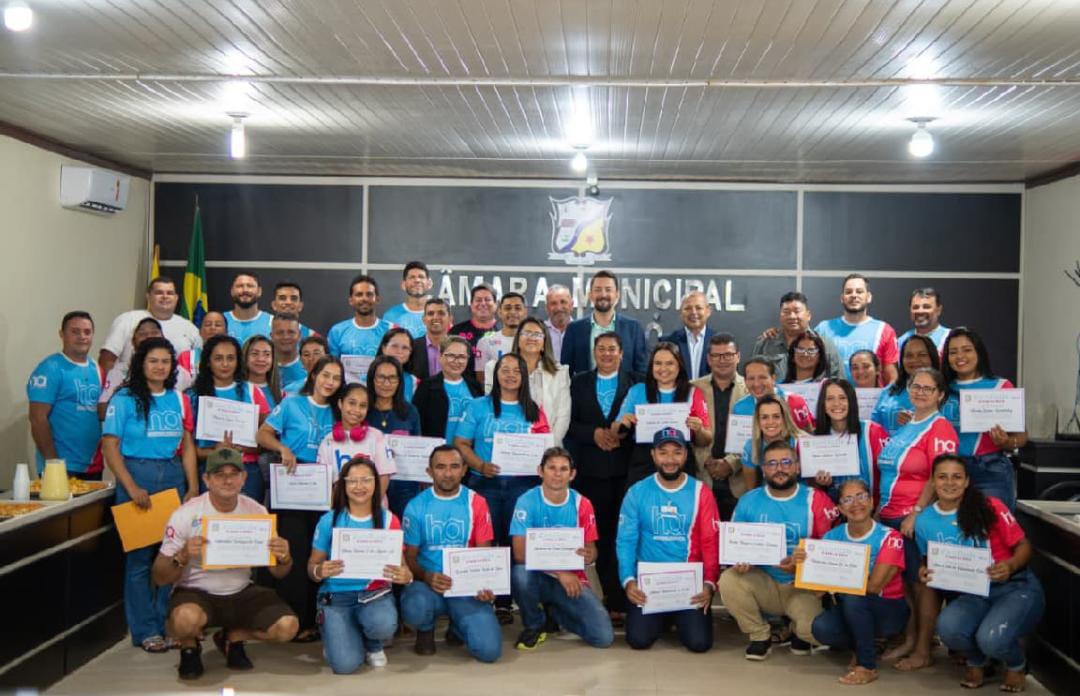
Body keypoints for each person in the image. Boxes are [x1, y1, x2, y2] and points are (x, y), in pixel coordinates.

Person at [153, 448, 298, 679]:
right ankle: (189, 646)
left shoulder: (257, 511)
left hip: (242, 591)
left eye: (234, 473)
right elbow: (159, 576)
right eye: (219, 474)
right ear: (206, 479)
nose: (227, 480)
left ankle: (234, 636)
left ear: (244, 478)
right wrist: (181, 556)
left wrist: (285, 557)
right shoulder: (186, 514)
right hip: (196, 592)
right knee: (184, 622)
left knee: (287, 627)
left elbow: (279, 572)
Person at [101, 336, 198, 653]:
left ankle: (165, 623)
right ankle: (145, 630)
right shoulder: (125, 398)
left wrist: (193, 487)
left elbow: (187, 448)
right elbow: (110, 447)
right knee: (140, 561)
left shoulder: (179, 399)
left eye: (165, 361)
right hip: (138, 476)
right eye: (153, 360)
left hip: (172, 476)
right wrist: (130, 487)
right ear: (141, 363)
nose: (160, 366)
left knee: (171, 557)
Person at [915, 455, 1043, 692]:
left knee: (992, 639)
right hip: (974, 592)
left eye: (957, 477)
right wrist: (925, 571)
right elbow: (928, 560)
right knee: (948, 629)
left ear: (967, 482)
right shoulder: (924, 521)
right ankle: (977, 661)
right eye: (942, 477)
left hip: (1013, 586)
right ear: (932, 481)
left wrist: (1011, 566)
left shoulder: (990, 505)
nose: (950, 483)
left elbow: (1024, 546)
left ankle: (1016, 664)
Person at [718, 439, 838, 660]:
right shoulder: (748, 501)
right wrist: (739, 560)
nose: (779, 469)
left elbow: (831, 554)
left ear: (797, 466)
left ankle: (797, 629)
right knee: (729, 579)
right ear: (763, 470)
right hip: (764, 581)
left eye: (786, 462)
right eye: (772, 464)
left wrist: (802, 566)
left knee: (815, 633)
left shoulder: (817, 500)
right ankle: (759, 635)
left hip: (801, 586)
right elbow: (734, 548)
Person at [875, 367, 959, 670]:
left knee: (922, 585)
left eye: (927, 388)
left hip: (913, 518)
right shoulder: (908, 425)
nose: (920, 392)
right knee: (907, 585)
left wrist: (916, 513)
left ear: (940, 395)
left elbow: (940, 478)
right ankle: (910, 639)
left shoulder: (940, 428)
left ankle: (923, 649)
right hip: (889, 515)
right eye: (915, 386)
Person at [257, 355, 344, 642]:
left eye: (336, 378)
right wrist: (283, 449)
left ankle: (317, 619)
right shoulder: (292, 403)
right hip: (292, 486)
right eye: (326, 375)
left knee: (318, 553)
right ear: (314, 375)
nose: (330, 382)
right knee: (292, 553)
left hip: (325, 489)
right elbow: (263, 434)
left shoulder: (338, 411)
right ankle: (294, 619)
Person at [616, 428, 719, 653]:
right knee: (638, 640)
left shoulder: (702, 492)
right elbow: (625, 541)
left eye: (677, 452)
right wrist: (629, 581)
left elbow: (710, 542)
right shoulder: (637, 492)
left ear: (685, 455)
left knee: (699, 644)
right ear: (653, 455)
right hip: (649, 585)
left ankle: (674, 617)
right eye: (663, 453)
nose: (670, 460)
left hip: (688, 584)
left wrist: (709, 584)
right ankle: (663, 617)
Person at [308, 455, 413, 674]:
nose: (360, 486)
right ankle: (336, 634)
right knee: (345, 666)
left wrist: (406, 576)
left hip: (374, 595)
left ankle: (372, 643)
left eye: (366, 480)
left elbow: (403, 567)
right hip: (337, 598)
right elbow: (312, 566)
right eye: (352, 481)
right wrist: (319, 570)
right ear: (342, 485)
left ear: (376, 483)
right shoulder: (330, 520)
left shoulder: (388, 519)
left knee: (383, 624)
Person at [454, 354, 551, 584]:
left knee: (515, 541)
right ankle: (488, 594)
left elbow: (545, 449)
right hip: (484, 483)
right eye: (504, 370)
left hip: (522, 486)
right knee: (485, 540)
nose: (510, 375)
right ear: (495, 374)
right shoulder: (478, 406)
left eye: (516, 371)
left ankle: (510, 598)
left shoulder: (534, 410)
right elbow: (461, 443)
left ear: (524, 377)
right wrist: (480, 465)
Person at [401, 445, 501, 663]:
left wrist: (483, 584)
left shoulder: (477, 502)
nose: (448, 473)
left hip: (464, 586)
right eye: (441, 467)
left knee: (489, 651)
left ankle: (457, 626)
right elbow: (409, 557)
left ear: (464, 469)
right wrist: (427, 576)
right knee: (415, 606)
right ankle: (425, 629)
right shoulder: (416, 506)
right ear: (429, 471)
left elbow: (484, 553)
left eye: (454, 466)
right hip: (427, 585)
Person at [509, 447, 614, 650]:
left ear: (572, 474)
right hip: (538, 576)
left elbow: (592, 550)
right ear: (540, 471)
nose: (557, 474)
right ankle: (535, 624)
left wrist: (590, 555)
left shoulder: (583, 504)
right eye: (552, 468)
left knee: (603, 637)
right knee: (519, 574)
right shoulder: (526, 501)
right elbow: (520, 555)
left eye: (564, 469)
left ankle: (555, 614)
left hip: (572, 580)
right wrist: (560, 572)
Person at [811, 479, 909, 685]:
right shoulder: (831, 537)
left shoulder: (890, 537)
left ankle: (867, 665)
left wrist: (836, 576)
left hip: (888, 610)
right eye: (847, 499)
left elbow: (874, 586)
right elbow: (818, 591)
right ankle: (861, 645)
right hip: (851, 606)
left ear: (872, 501)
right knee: (821, 627)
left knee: (856, 596)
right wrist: (803, 564)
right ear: (840, 508)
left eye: (861, 496)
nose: (855, 504)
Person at [566, 333, 635, 624]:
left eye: (612, 349)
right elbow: (568, 422)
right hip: (590, 471)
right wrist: (593, 434)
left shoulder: (637, 382)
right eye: (601, 349)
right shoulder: (579, 381)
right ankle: (604, 595)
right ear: (594, 352)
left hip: (625, 470)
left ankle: (622, 597)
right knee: (598, 536)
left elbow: (641, 417)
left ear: (621, 353)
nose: (606, 354)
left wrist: (623, 435)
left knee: (622, 536)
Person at [941, 327, 1025, 511]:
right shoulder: (940, 388)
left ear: (979, 352)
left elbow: (1021, 437)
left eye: (967, 350)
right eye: (953, 352)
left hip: (990, 470)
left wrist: (1006, 441)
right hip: (949, 472)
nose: (960, 356)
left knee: (993, 531)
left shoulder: (1001, 386)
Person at [613, 342, 711, 486]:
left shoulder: (693, 392)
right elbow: (616, 432)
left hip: (680, 458)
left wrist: (699, 430)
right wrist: (623, 423)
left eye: (670, 363)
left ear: (679, 366)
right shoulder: (638, 391)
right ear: (651, 367)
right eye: (658, 363)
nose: (663, 368)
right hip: (644, 460)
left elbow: (706, 440)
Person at [187, 334, 270, 500]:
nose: (225, 364)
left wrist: (243, 447)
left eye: (230, 358)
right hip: (210, 470)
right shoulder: (193, 396)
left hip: (247, 471)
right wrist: (215, 451)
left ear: (238, 361)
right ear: (208, 362)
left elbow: (267, 438)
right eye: (218, 358)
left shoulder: (253, 392)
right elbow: (189, 448)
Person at [28, 310, 103, 477]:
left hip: (93, 465)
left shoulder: (97, 369)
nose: (82, 336)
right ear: (62, 334)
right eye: (75, 331)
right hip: (61, 466)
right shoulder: (50, 368)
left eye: (87, 332)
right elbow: (37, 419)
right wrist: (53, 464)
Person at [483, 317, 571, 444]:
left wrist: (549, 447)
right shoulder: (495, 368)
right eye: (526, 333)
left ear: (544, 343)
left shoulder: (560, 373)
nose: (531, 338)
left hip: (548, 445)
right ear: (518, 340)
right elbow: (491, 408)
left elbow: (563, 416)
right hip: (507, 445)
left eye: (537, 334)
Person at [692, 333, 750, 520]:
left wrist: (731, 463)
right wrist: (707, 461)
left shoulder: (752, 388)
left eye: (728, 355)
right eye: (716, 356)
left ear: (738, 357)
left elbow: (757, 434)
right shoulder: (692, 389)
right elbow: (687, 431)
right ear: (708, 359)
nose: (722, 360)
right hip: (702, 478)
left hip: (742, 482)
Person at [99, 276, 200, 374]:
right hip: (131, 386)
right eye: (159, 292)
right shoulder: (127, 319)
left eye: (170, 293)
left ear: (176, 298)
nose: (165, 296)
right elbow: (107, 358)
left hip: (176, 388)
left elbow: (200, 361)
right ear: (148, 296)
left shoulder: (189, 328)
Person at [814, 274, 899, 385]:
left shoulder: (884, 330)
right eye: (849, 292)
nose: (854, 295)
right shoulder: (823, 328)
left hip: (872, 401)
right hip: (833, 400)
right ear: (842, 298)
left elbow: (892, 378)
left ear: (868, 297)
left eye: (859, 291)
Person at [811, 378, 888, 501]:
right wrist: (821, 483)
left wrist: (879, 508)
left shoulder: (873, 431)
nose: (836, 404)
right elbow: (811, 489)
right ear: (823, 405)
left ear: (851, 402)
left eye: (842, 398)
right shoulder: (814, 439)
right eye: (830, 399)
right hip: (834, 513)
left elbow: (888, 474)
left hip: (873, 510)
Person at [561, 270, 648, 378]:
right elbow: (565, 372)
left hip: (625, 394)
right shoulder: (574, 329)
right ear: (590, 295)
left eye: (608, 290)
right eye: (598, 290)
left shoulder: (633, 329)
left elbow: (642, 372)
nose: (603, 294)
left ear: (617, 295)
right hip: (584, 394)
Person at [366, 356, 422, 519]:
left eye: (392, 378)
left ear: (399, 382)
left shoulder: (410, 412)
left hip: (404, 487)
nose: (386, 383)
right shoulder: (362, 410)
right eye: (381, 377)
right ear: (372, 379)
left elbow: (418, 449)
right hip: (370, 486)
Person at [316, 383, 395, 493]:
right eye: (352, 403)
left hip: (374, 507)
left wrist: (371, 507)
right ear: (340, 403)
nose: (356, 410)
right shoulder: (327, 441)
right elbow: (325, 484)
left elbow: (384, 478)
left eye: (362, 405)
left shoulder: (377, 437)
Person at [751, 291, 843, 380]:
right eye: (786, 312)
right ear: (780, 315)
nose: (792, 316)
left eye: (797, 311)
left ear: (808, 315)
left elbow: (838, 380)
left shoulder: (825, 344)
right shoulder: (766, 343)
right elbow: (753, 376)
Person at [412, 336, 484, 441]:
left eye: (462, 357)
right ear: (440, 357)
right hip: (437, 453)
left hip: (468, 453)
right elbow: (417, 424)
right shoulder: (426, 386)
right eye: (451, 356)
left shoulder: (475, 387)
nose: (456, 361)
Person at [327, 275, 393, 379]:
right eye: (359, 294)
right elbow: (330, 368)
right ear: (351, 300)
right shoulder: (337, 331)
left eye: (369, 294)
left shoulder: (392, 330)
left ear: (377, 299)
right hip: (346, 393)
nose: (364, 298)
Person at [872, 334, 940, 435]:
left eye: (922, 355)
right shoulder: (888, 392)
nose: (915, 360)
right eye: (909, 356)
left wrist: (919, 422)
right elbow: (874, 430)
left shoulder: (944, 392)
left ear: (932, 357)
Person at [100, 317, 164, 420]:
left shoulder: (178, 372)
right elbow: (102, 412)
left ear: (163, 338)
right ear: (133, 342)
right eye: (143, 334)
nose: (149, 336)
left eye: (154, 332)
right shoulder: (119, 371)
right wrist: (121, 395)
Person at [741, 395, 808, 491]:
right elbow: (751, 489)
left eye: (776, 416)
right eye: (764, 417)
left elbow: (814, 486)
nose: (770, 422)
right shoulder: (751, 446)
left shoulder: (801, 442)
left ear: (784, 418)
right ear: (758, 421)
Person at [729, 357, 815, 432]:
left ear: (773, 378)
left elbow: (807, 437)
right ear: (745, 381)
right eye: (751, 378)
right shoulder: (739, 407)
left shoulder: (794, 401)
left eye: (762, 377)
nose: (756, 384)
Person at [660, 291, 714, 380]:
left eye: (698, 308)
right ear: (681, 313)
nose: (693, 312)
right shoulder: (668, 342)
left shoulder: (720, 343)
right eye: (688, 308)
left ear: (708, 311)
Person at [475, 292, 527, 383]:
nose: (513, 312)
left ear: (525, 312)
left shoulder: (534, 342)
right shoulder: (485, 342)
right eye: (507, 308)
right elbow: (482, 379)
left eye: (518, 308)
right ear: (499, 312)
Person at [449, 283, 499, 375]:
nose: (483, 303)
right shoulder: (456, 332)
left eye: (487, 300)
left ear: (496, 304)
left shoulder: (503, 331)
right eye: (478, 300)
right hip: (463, 386)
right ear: (471, 305)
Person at [176, 311, 227, 391]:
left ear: (226, 331)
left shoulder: (232, 357)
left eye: (218, 325)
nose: (212, 328)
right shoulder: (187, 357)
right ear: (200, 331)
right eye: (208, 325)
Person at [383, 261, 432, 338]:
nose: (417, 280)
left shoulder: (439, 314)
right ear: (403, 285)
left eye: (421, 277)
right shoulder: (391, 316)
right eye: (412, 277)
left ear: (429, 283)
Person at [407, 298, 453, 379]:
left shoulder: (460, 347)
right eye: (430, 313)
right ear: (424, 319)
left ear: (450, 319)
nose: (435, 317)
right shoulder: (411, 347)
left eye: (441, 313)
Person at [225, 272, 274, 346]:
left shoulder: (272, 322)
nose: (245, 290)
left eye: (250, 286)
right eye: (240, 286)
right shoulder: (221, 321)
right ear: (232, 291)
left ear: (259, 291)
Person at [898, 287, 950, 355]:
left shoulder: (950, 338)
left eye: (926, 307)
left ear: (938, 310)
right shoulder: (902, 341)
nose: (920, 311)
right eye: (915, 307)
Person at [377, 327, 420, 400]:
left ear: (410, 352)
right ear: (384, 348)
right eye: (394, 346)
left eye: (405, 348)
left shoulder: (414, 382)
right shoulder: (368, 376)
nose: (399, 351)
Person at [244, 334, 281, 409]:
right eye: (254, 354)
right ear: (245, 357)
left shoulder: (281, 395)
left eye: (267, 354)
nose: (261, 359)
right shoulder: (236, 388)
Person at [271, 312, 306, 387]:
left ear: (299, 335)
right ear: (271, 336)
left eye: (291, 332)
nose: (286, 337)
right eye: (280, 332)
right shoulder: (260, 365)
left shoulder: (309, 367)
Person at [544, 284, 573, 362]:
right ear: (547, 308)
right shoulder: (540, 331)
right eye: (553, 303)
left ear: (571, 305)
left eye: (563, 302)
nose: (559, 308)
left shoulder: (582, 330)